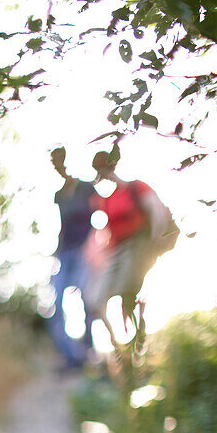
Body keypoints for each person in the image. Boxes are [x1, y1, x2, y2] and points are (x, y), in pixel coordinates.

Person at [88, 147, 170, 346]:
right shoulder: (105, 200)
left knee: (128, 291)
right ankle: (118, 344)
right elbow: (107, 233)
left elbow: (156, 210)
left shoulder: (136, 187)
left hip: (139, 245)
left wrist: (156, 239)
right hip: (117, 251)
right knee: (95, 300)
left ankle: (136, 338)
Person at [47, 146, 96, 370]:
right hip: (65, 252)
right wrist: (56, 254)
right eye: (53, 162)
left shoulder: (86, 188)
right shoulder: (59, 195)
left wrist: (93, 247)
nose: (57, 165)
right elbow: (62, 227)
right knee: (56, 304)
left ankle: (89, 351)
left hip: (85, 249)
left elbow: (98, 216)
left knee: (86, 298)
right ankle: (71, 357)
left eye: (59, 160)